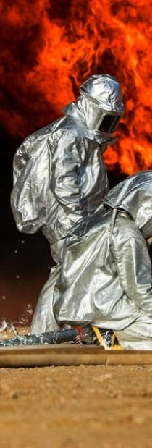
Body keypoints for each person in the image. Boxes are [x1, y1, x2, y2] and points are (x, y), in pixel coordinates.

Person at [10, 74, 124, 334]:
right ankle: (49, 333)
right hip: (67, 219)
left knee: (70, 273)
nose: (108, 124)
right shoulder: (69, 134)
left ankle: (49, 332)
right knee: (73, 273)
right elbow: (64, 182)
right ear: (91, 106)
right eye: (105, 116)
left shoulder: (82, 134)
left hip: (79, 217)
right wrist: (77, 221)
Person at [53, 171, 152, 349]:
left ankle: (111, 329)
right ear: (150, 207)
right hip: (101, 310)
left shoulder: (101, 218)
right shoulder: (128, 234)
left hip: (79, 302)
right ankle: (109, 333)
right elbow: (141, 293)